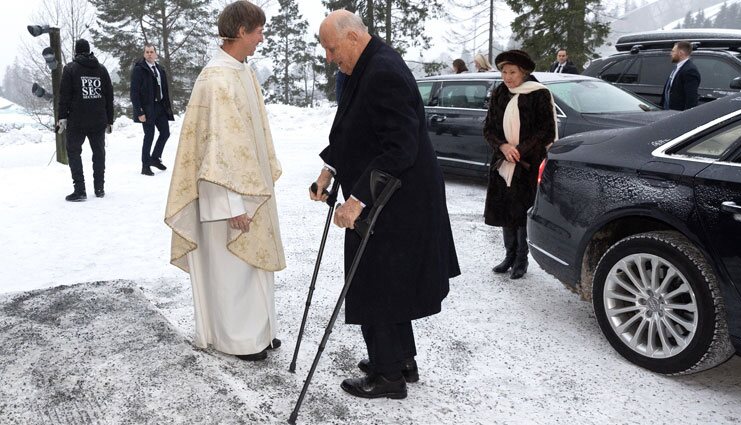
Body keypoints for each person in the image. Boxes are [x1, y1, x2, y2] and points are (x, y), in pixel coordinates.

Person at [312, 10, 460, 400]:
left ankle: (387, 376)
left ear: (353, 38)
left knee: (375, 282)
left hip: (395, 200)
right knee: (390, 283)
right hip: (391, 195)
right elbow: (354, 129)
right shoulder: (365, 65)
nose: (330, 58)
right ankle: (400, 359)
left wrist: (356, 201)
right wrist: (329, 170)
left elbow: (400, 149)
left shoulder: (382, 73)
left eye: (331, 48)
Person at [164, 0, 285, 362]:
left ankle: (260, 332)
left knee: (252, 268)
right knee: (233, 269)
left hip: (249, 191)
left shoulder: (240, 71)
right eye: (258, 30)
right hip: (228, 199)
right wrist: (231, 205)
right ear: (241, 31)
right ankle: (238, 339)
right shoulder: (217, 79)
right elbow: (216, 153)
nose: (262, 38)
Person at [484, 50, 557, 279]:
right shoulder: (499, 93)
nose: (507, 77)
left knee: (522, 211)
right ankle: (509, 255)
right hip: (503, 161)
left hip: (527, 162)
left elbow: (545, 130)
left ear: (523, 72)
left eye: (512, 72)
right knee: (506, 210)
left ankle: (521, 260)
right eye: (504, 72)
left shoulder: (538, 94)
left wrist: (520, 150)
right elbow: (488, 128)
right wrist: (503, 147)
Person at [57, 39, 114, 201]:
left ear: (76, 51)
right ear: (89, 51)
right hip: (98, 119)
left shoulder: (70, 69)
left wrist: (62, 117)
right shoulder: (102, 69)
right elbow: (109, 97)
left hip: (77, 120)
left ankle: (80, 190)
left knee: (74, 152)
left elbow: (64, 96)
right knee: (99, 153)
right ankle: (99, 188)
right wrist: (110, 120)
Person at [130, 43, 175, 176]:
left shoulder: (160, 69)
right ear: (144, 54)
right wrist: (139, 112)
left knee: (165, 133)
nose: (149, 54)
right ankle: (145, 166)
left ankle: (155, 158)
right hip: (147, 108)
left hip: (160, 106)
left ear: (155, 54)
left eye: (151, 52)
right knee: (149, 136)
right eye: (147, 52)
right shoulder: (139, 69)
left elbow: (165, 90)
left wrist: (167, 107)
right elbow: (134, 93)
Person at [661, 41, 701, 111]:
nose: (671, 54)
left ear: (680, 53)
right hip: (668, 112)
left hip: (678, 114)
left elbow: (691, 99)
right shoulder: (678, 68)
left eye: (673, 51)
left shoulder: (690, 71)